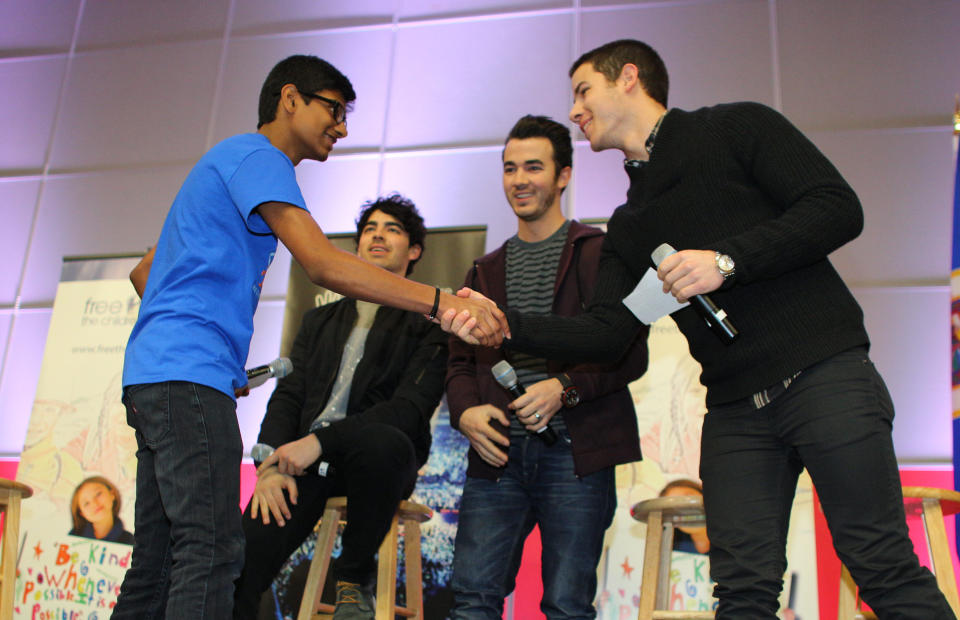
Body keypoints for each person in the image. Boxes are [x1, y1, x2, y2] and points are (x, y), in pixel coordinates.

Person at [443, 40, 954, 618]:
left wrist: (726, 261)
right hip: (736, 411)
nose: (575, 110)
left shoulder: (738, 127)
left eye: (583, 90)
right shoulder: (631, 223)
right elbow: (607, 334)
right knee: (739, 590)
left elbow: (836, 206)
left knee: (879, 562)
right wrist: (504, 328)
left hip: (824, 373)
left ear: (628, 78)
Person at [117, 55, 505, 620]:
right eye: (334, 108)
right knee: (211, 551)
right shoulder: (260, 158)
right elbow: (322, 264)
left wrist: (208, 352)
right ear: (290, 98)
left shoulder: (226, 161)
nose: (342, 127)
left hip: (155, 375)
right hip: (188, 379)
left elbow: (144, 275)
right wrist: (443, 302)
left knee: (157, 563)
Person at [445, 115, 647, 619]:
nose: (519, 180)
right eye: (510, 168)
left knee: (566, 604)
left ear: (563, 176)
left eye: (533, 167)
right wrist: (466, 412)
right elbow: (458, 360)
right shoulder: (482, 270)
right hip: (497, 455)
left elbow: (630, 352)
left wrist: (565, 389)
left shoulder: (599, 252)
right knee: (472, 599)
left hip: (577, 455)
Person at [232, 195, 446, 620]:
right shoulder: (319, 321)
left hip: (376, 466)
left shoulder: (429, 325)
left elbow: (407, 411)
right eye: (370, 228)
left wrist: (318, 441)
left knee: (384, 441)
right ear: (356, 246)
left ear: (415, 251)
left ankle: (353, 580)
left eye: (392, 229)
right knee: (234, 571)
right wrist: (269, 465)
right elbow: (288, 396)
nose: (378, 235)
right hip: (306, 465)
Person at [69, 475, 134, 545]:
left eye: (98, 494)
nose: (95, 503)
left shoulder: (130, 541)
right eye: (86, 503)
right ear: (82, 513)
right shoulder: (72, 539)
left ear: (112, 494)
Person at [658, 479, 708, 555]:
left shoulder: (730, 539)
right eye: (675, 507)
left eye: (689, 497)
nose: (687, 509)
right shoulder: (667, 552)